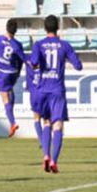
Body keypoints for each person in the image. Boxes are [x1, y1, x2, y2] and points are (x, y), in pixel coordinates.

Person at [29, 15, 83, 173]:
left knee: (46, 123)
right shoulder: (64, 45)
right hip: (57, 90)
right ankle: (54, 161)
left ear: (45, 28)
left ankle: (45, 155)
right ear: (57, 27)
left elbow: (33, 63)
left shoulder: (38, 44)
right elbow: (78, 66)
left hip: (42, 89)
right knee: (58, 125)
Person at [0, 19, 26, 137]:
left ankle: (12, 122)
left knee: (5, 98)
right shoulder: (18, 44)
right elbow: (21, 60)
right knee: (9, 91)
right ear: (16, 31)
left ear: (6, 28)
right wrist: (18, 72)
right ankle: (12, 117)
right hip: (13, 72)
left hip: (2, 71)